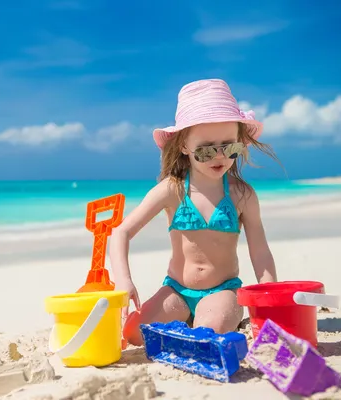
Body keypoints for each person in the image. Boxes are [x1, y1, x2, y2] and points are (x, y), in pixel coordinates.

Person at [109, 78, 279, 346]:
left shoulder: (241, 195)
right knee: (133, 334)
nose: (219, 156)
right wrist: (123, 281)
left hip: (223, 289)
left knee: (208, 333)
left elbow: (259, 251)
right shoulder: (172, 190)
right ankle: (188, 314)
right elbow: (121, 232)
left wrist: (268, 299)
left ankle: (206, 317)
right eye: (206, 149)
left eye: (230, 147)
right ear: (184, 146)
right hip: (176, 289)